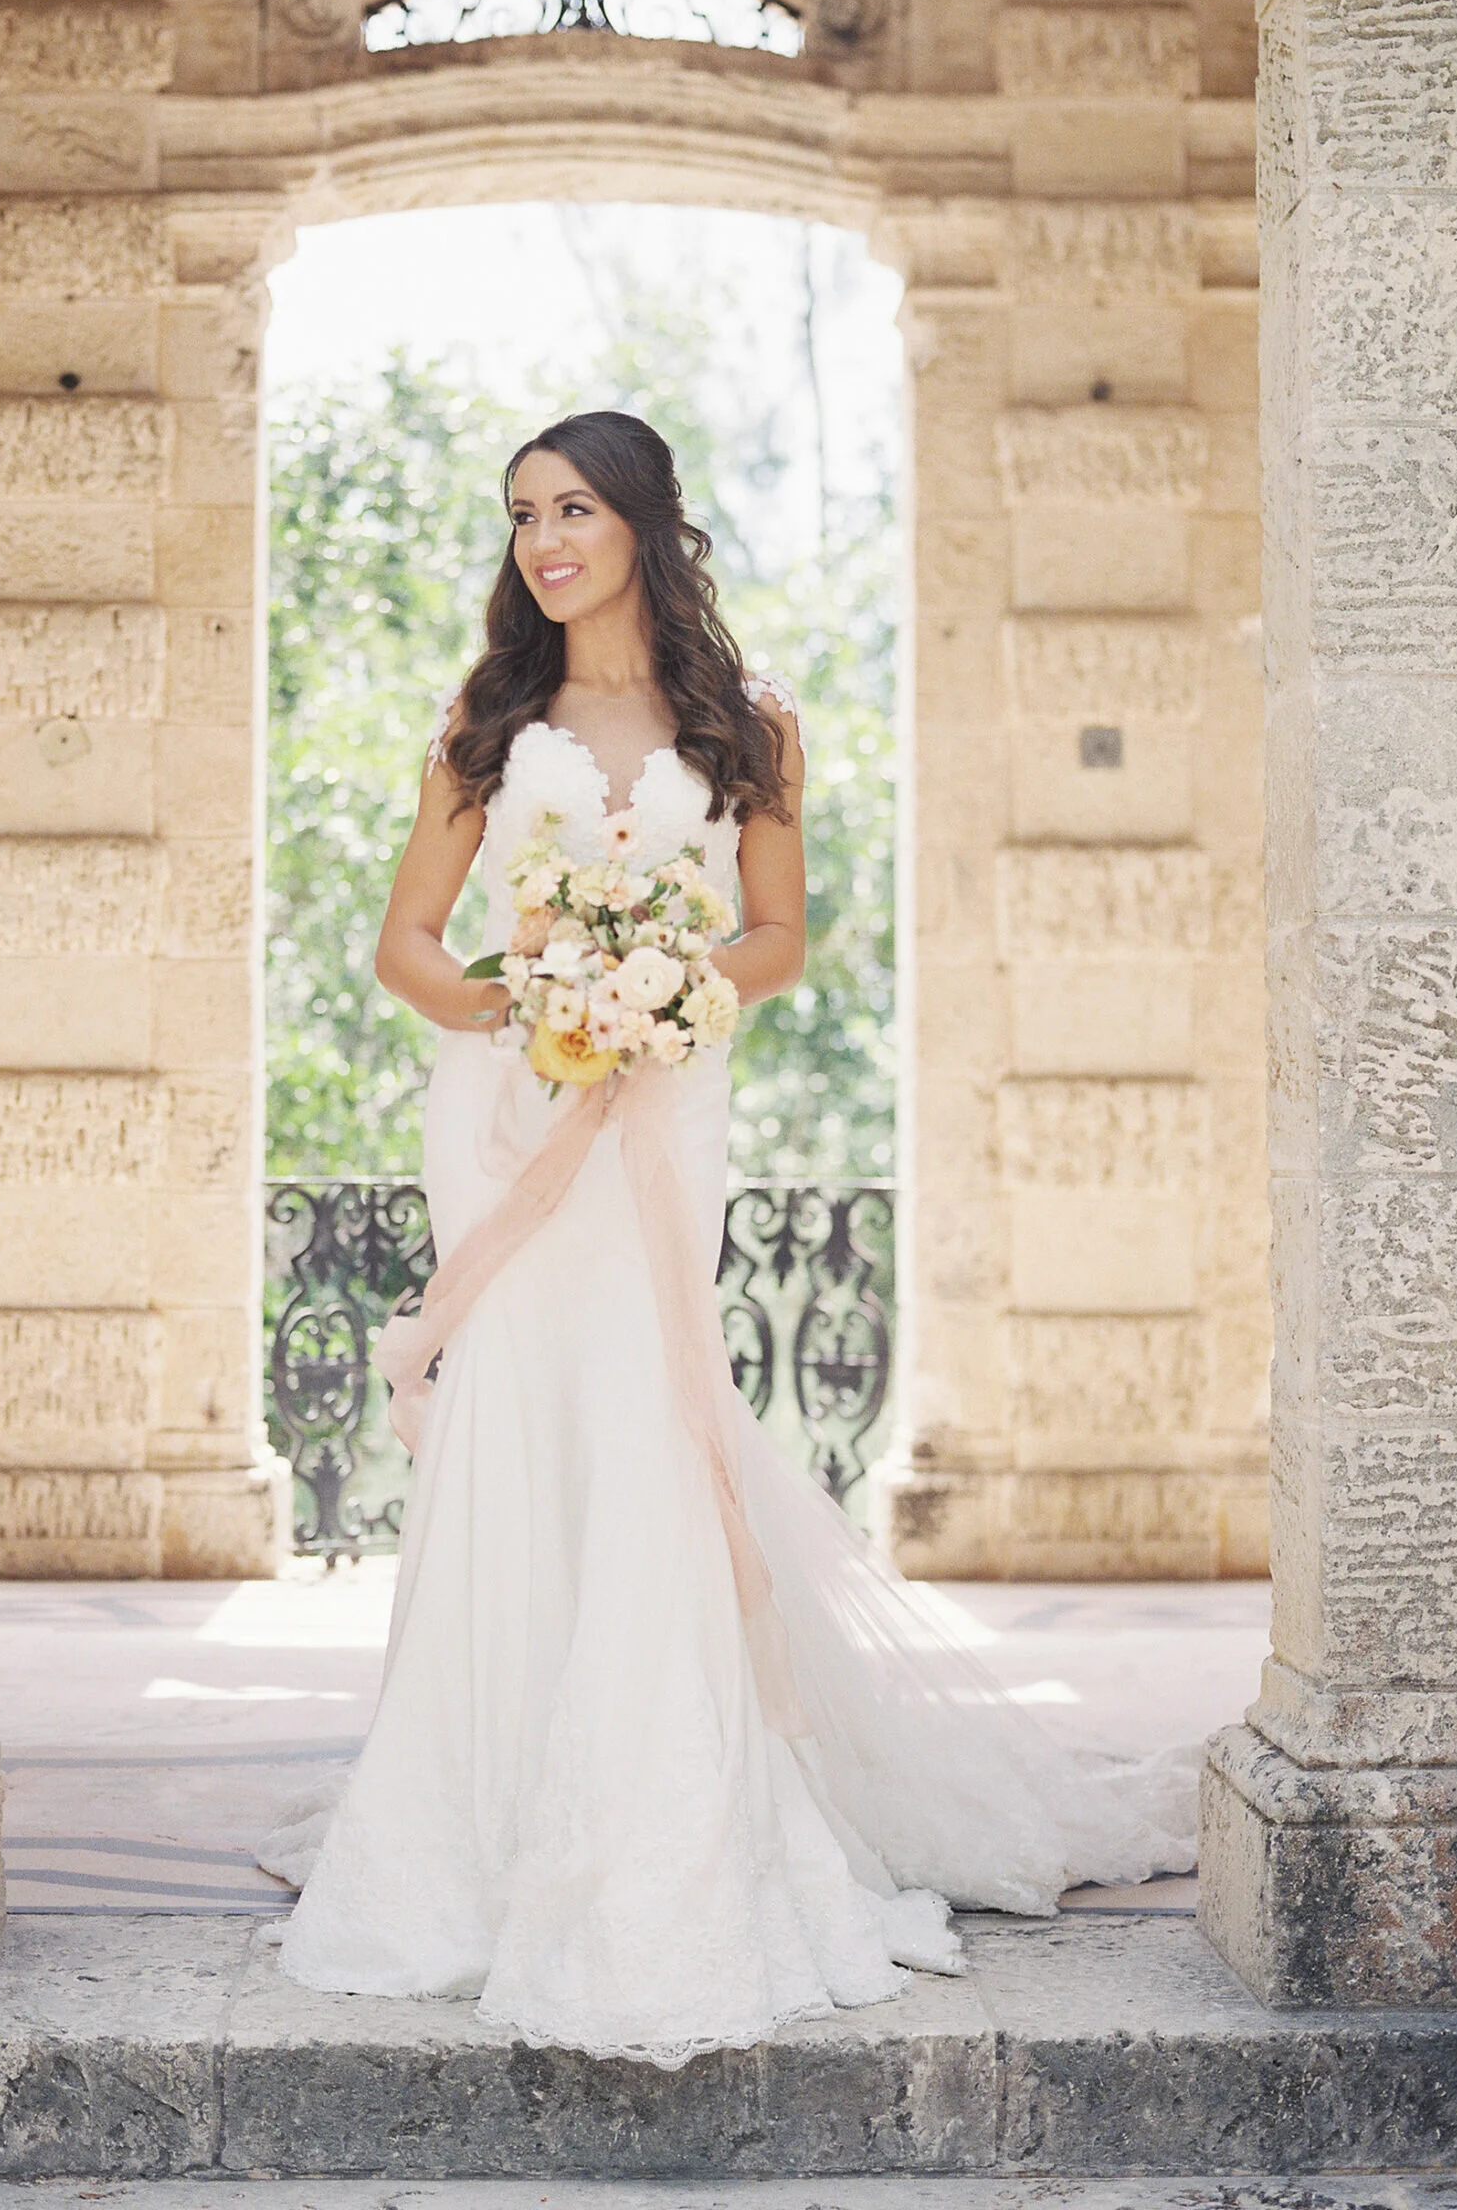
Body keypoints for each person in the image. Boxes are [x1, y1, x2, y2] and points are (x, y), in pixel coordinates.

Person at [256, 409, 1193, 2068]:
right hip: (512, 1106)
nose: (546, 541)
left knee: (646, 1423)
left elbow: (782, 935)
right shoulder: (486, 722)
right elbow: (404, 943)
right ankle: (476, 1832)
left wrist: (668, 990)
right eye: (524, 514)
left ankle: (665, 1836)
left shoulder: (749, 726)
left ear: (644, 524)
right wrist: (525, 1005)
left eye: (576, 509)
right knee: (525, 1421)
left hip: (668, 1109)